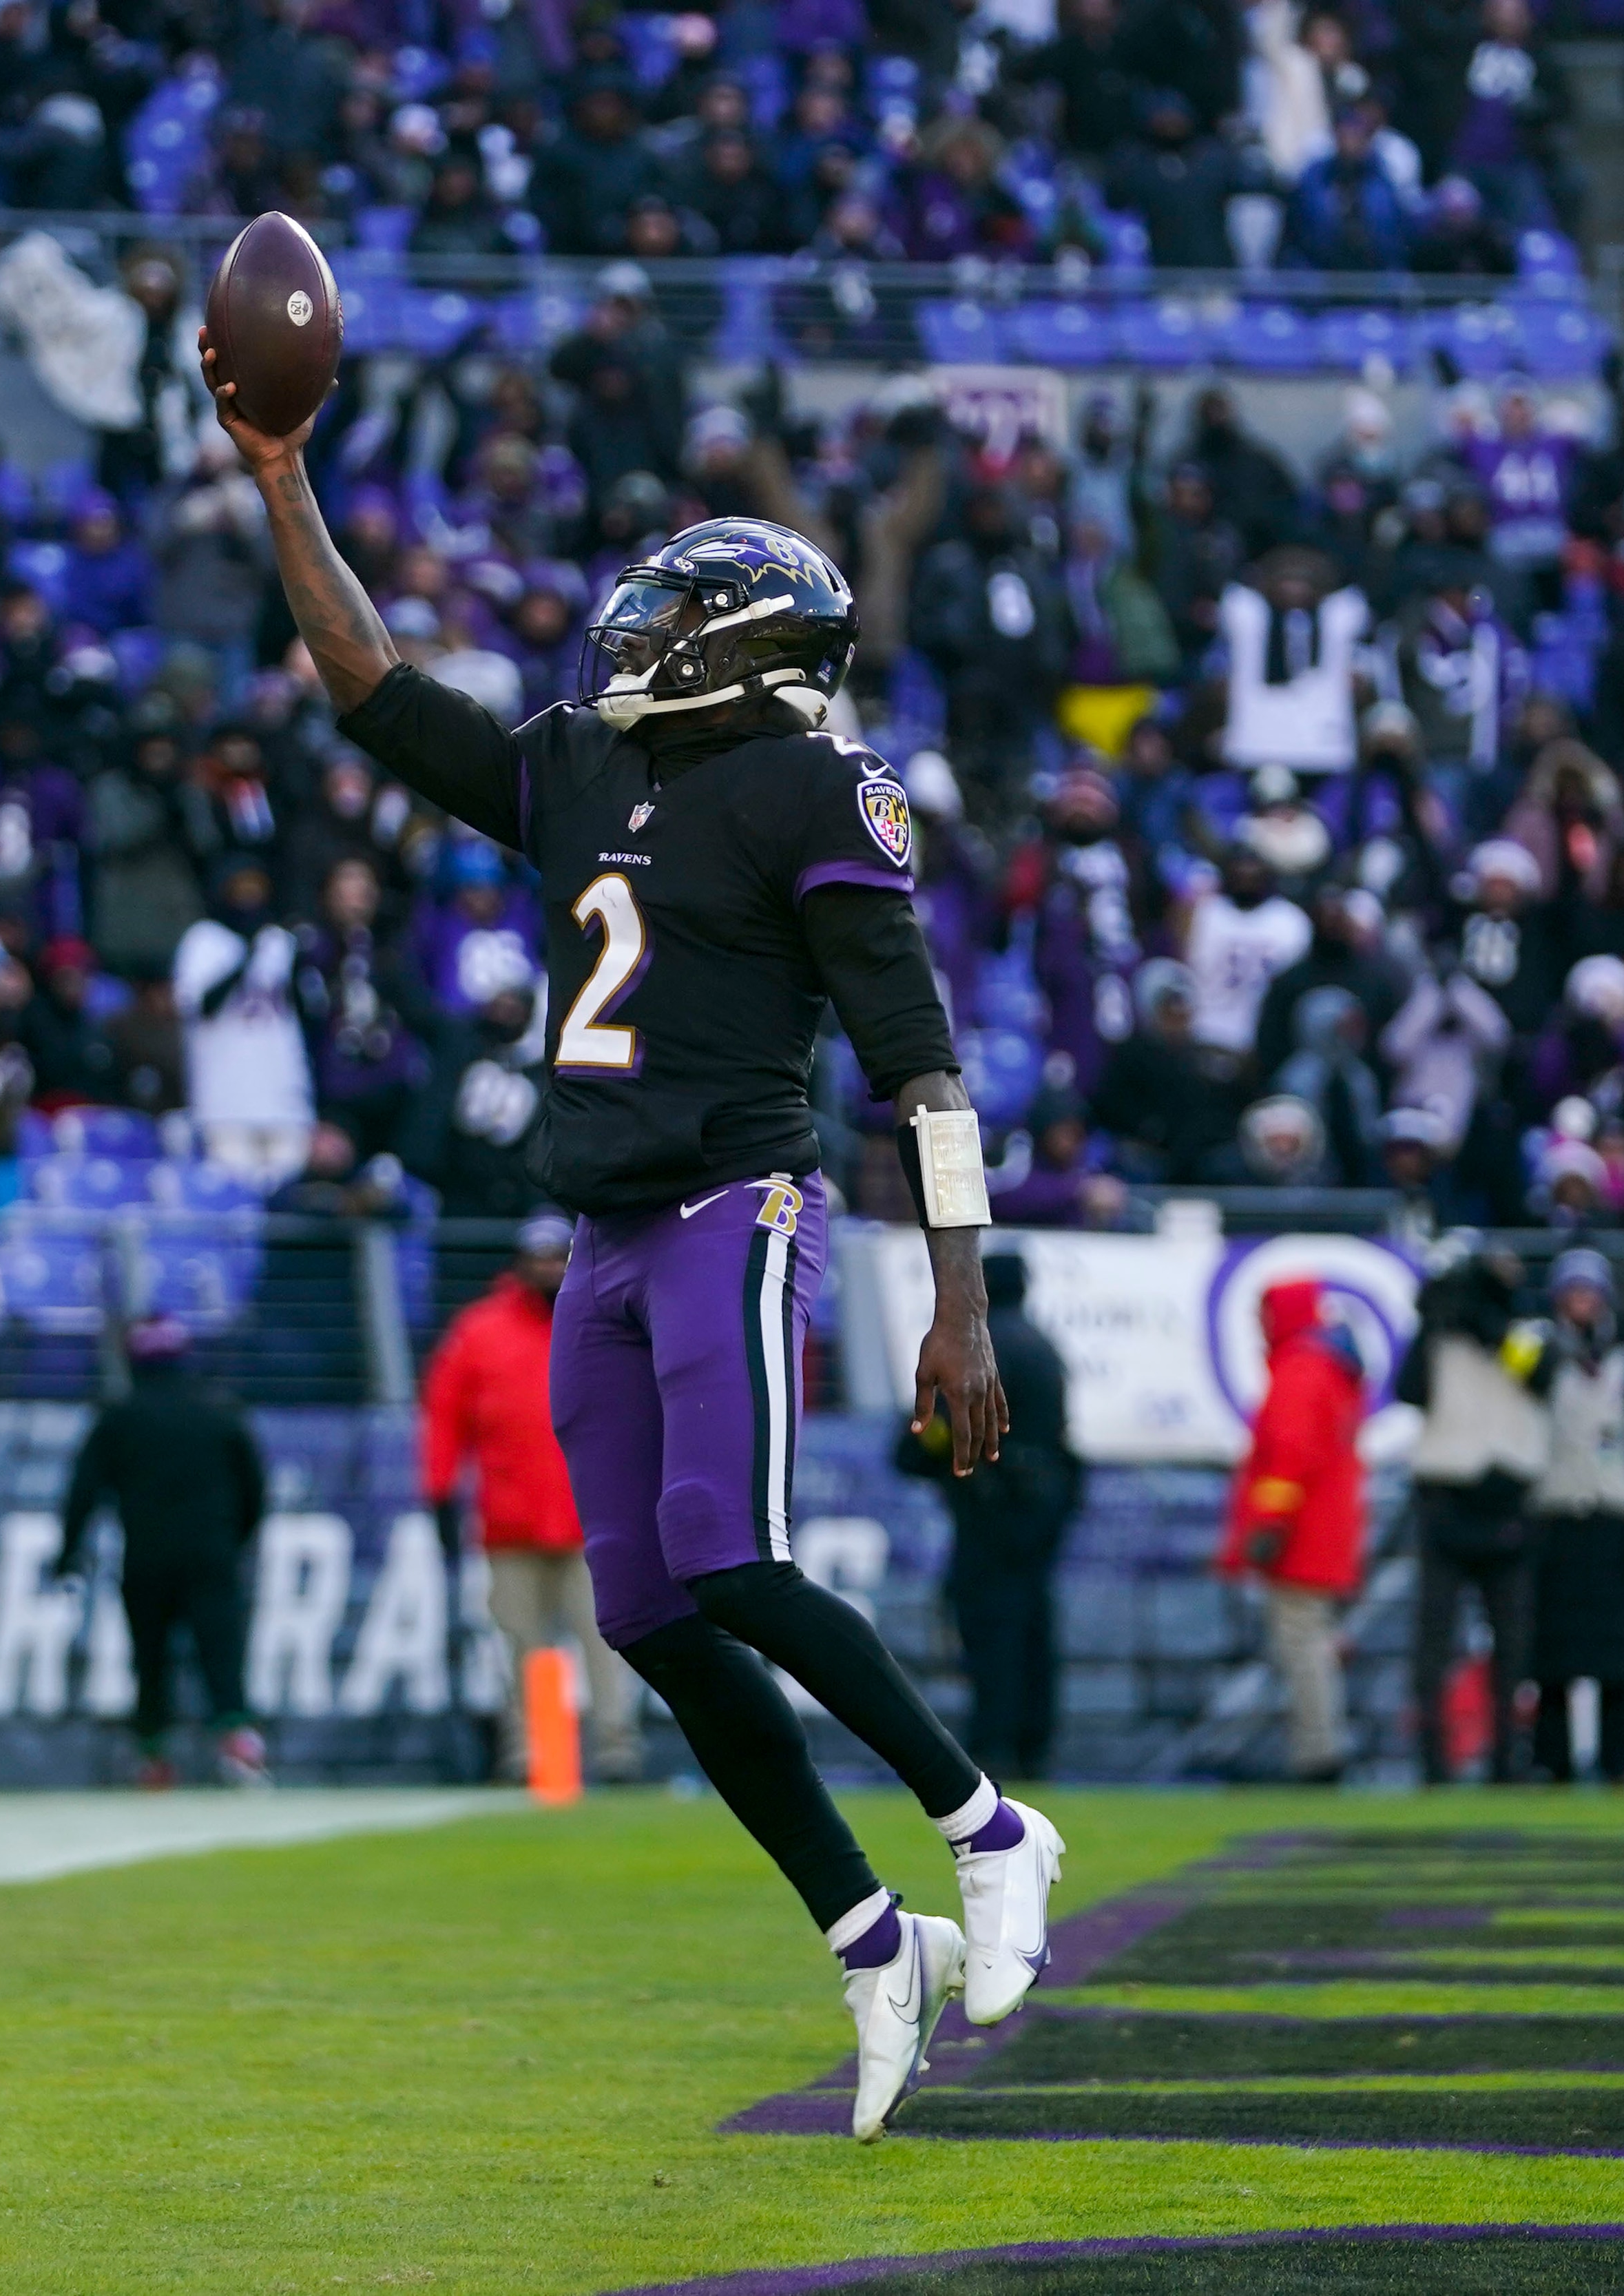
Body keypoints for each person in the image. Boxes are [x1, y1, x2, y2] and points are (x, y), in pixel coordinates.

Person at [205, 327, 1056, 2145]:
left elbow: (923, 1063)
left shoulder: (822, 788)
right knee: (650, 1602)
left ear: (755, 647)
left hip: (736, 1200)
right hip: (599, 1226)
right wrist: (282, 472)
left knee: (725, 1550)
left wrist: (958, 1296)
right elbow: (361, 670)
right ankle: (864, 1926)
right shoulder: (584, 766)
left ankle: (990, 1824)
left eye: (683, 603)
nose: (634, 625)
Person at [421, 1213, 640, 1785]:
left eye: (556, 1255)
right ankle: (533, 1755)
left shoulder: (601, 1317)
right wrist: (439, 1489)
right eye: (539, 1256)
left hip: (593, 1519)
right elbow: (445, 1417)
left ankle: (616, 1751)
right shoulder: (480, 1329)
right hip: (511, 1520)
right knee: (523, 1646)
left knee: (608, 1641)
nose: (547, 1266)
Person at [56, 1315, 270, 1788]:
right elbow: (255, 1489)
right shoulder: (220, 1411)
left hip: (147, 1556)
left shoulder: (120, 1416)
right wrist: (235, 1539)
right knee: (222, 1652)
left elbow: (83, 1491)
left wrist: (68, 1553)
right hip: (211, 1554)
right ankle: (238, 1742)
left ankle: (153, 1756)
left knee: (150, 1658)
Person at [895, 1249, 1079, 1781]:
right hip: (1042, 1510)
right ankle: (1033, 1742)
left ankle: (994, 1745)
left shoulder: (982, 1349)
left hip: (989, 1510)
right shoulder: (1045, 1348)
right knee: (1033, 1628)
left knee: (990, 1632)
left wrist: (927, 1452)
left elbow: (931, 1431)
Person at [1397, 1234, 1548, 1784]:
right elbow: (1408, 1389)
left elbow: (1541, 1373)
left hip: (1508, 1499)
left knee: (1512, 1647)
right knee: (1432, 1645)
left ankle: (1508, 1760)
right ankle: (1433, 1763)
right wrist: (1434, 1320)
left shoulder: (1527, 1334)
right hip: (1447, 1496)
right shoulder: (1438, 1339)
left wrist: (1491, 1319)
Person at [1512, 1250, 1624, 1784]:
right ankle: (1551, 1758)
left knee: (1617, 1654)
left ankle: (1621, 1758)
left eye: (1590, 1291)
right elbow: (1517, 1369)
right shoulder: (1540, 1352)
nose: (1582, 1302)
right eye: (1572, 1292)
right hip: (1556, 1516)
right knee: (1553, 1654)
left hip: (1611, 1518)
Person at [1219, 1279, 1367, 1783]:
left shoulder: (1300, 1370)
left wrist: (1267, 1526)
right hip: (1325, 1530)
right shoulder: (1328, 1367)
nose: (1261, 1326)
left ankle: (1319, 1753)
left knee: (1302, 1645)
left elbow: (1288, 1457)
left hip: (1301, 1536)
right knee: (1314, 1643)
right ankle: (1321, 1746)